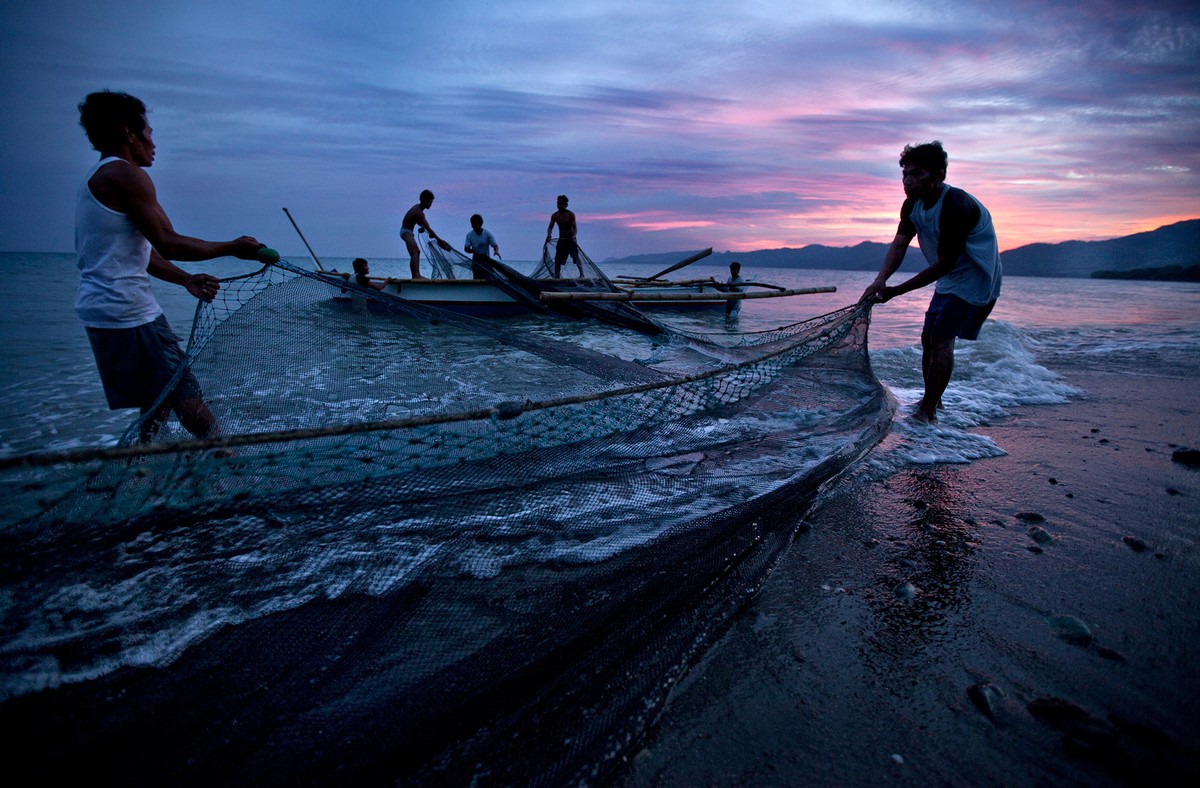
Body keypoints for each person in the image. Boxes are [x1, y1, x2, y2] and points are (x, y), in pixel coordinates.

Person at [74, 90, 264, 443]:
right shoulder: (125, 175)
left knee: (156, 394)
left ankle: (141, 465)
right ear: (130, 133)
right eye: (148, 131)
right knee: (182, 389)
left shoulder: (102, 176)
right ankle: (222, 455)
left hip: (108, 309)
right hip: (125, 310)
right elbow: (168, 241)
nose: (153, 142)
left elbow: (138, 253)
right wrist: (233, 247)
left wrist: (184, 279)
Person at [860, 141, 1003, 424]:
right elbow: (900, 245)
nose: (908, 181)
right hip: (951, 278)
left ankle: (928, 410)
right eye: (905, 174)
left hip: (975, 277)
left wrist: (896, 291)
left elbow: (945, 262)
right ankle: (933, 400)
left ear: (938, 175)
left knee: (940, 339)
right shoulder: (912, 205)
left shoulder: (956, 206)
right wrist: (880, 280)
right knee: (928, 338)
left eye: (917, 174)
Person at [400, 190, 451, 279]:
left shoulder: (418, 209)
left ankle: (414, 276)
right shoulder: (419, 212)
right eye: (429, 202)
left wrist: (423, 228)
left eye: (431, 202)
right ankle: (417, 275)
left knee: (413, 254)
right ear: (423, 200)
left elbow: (420, 223)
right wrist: (440, 241)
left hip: (407, 232)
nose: (430, 204)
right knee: (416, 251)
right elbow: (428, 228)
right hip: (406, 232)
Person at [545, 194, 584, 278]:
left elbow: (575, 228)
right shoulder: (555, 215)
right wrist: (549, 235)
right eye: (558, 204)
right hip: (562, 240)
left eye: (561, 204)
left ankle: (582, 274)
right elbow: (550, 227)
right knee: (557, 259)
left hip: (571, 239)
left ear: (565, 205)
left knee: (575, 257)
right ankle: (557, 276)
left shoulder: (570, 215)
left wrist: (574, 236)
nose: (559, 206)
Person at [464, 214, 500, 278]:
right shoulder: (470, 235)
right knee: (477, 279)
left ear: (480, 224)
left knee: (489, 278)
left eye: (475, 224)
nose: (473, 226)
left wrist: (496, 251)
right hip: (476, 262)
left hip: (486, 262)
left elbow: (495, 245)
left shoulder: (487, 233)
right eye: (472, 224)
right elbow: (466, 248)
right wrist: (474, 252)